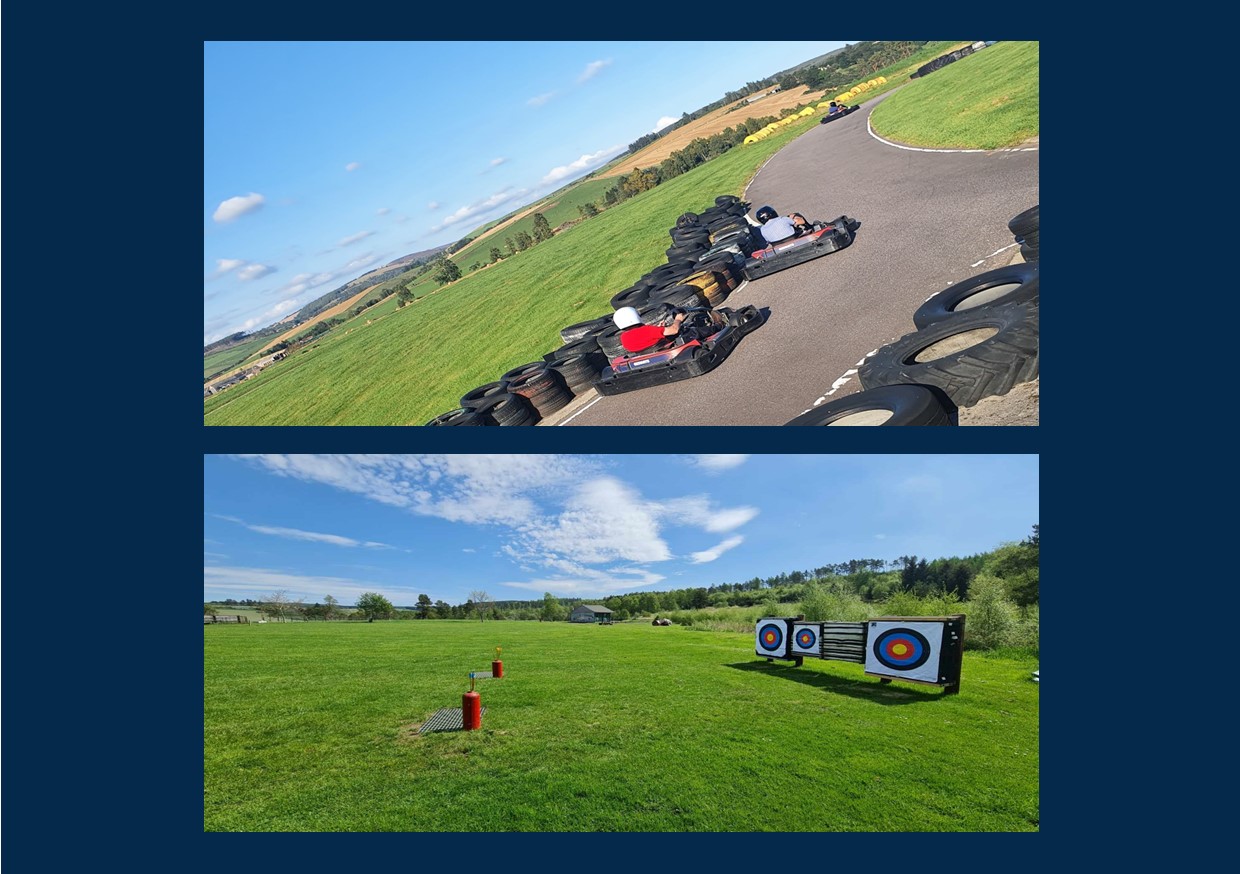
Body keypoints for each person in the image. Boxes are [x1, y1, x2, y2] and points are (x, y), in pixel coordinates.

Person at [612, 305, 723, 354]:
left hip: (650, 352)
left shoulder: (623, 337)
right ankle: (718, 326)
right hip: (667, 348)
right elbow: (674, 330)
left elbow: (646, 339)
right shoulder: (647, 329)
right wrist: (678, 320)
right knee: (690, 331)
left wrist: (660, 328)